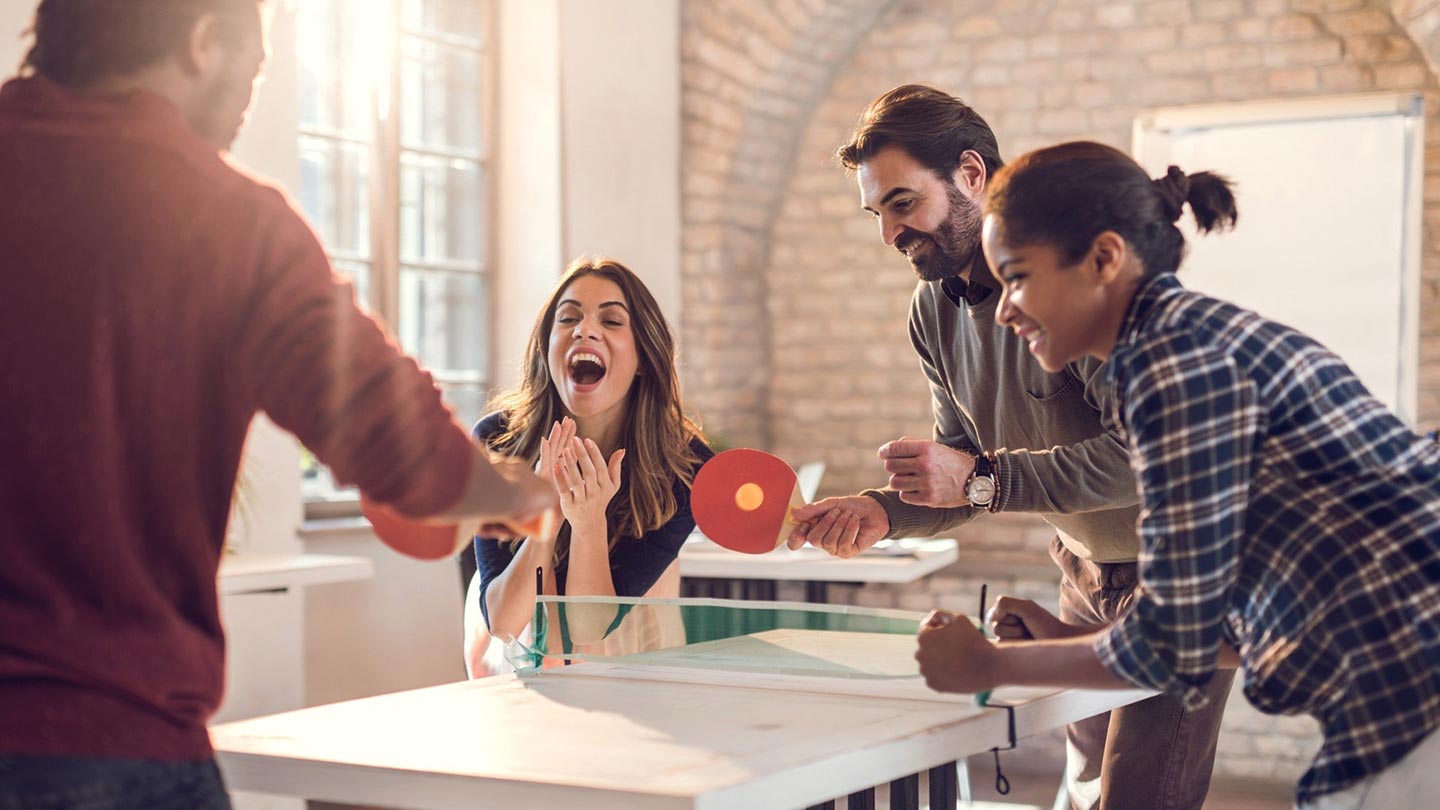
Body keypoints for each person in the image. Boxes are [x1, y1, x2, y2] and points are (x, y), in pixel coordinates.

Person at [0, 2, 553, 807]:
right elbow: (407, 453)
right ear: (199, 41)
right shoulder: (227, 221)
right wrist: (515, 494)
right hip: (100, 746)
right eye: (254, 74)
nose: (243, 108)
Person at [916, 139, 1440, 809]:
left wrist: (990, 666)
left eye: (1016, 276)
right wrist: (1071, 639)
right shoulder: (1180, 344)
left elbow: (1173, 649)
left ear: (1104, 258)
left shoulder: (1173, 371)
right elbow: (1225, 632)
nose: (1006, 309)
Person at [787, 84, 1232, 809]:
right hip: (1084, 571)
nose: (889, 234)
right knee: (1083, 792)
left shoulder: (1075, 289)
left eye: (902, 203)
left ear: (970, 174)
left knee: (1138, 799)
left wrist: (981, 480)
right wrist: (882, 513)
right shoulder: (932, 310)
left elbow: (1148, 458)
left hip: (1175, 572)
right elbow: (959, 466)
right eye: (877, 214)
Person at [465, 257, 712, 671]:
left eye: (612, 321)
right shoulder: (496, 444)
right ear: (548, 349)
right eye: (568, 319)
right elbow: (505, 623)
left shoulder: (685, 467)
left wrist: (588, 522)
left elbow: (589, 629)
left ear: (643, 359)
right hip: (519, 658)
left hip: (630, 656)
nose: (584, 329)